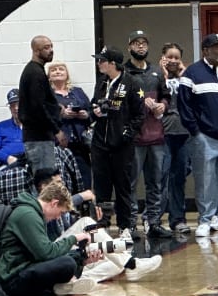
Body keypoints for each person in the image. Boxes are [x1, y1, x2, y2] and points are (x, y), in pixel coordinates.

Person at [34, 169, 162, 283]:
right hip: (50, 257)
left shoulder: (57, 208)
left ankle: (82, 279)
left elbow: (69, 233)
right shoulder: (38, 209)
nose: (62, 186)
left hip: (63, 253)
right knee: (86, 222)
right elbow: (48, 248)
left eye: (61, 183)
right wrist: (81, 196)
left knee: (115, 262)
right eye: (57, 183)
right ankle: (132, 264)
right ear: (44, 187)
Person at [178, 33, 218, 238]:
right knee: (205, 180)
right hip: (204, 137)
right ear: (205, 50)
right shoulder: (192, 73)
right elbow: (184, 106)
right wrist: (195, 131)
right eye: (216, 47)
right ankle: (205, 220)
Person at [0, 180, 100, 296]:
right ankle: (63, 285)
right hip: (13, 280)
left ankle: (61, 287)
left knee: (74, 257)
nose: (58, 217)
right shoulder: (27, 215)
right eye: (60, 212)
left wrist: (81, 258)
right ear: (54, 203)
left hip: (25, 268)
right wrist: (74, 238)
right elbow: (45, 253)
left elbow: (45, 253)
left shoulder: (32, 213)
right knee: (68, 263)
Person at [90, 45, 144, 241]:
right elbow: (94, 102)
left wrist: (127, 133)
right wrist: (94, 110)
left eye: (101, 60)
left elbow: (139, 115)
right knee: (102, 187)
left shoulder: (132, 82)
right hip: (100, 143)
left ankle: (125, 226)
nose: (98, 63)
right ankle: (102, 227)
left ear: (112, 64)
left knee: (122, 187)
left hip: (121, 144)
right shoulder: (102, 82)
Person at [123, 30, 172, 239]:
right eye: (136, 43)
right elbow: (120, 103)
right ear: (129, 47)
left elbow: (167, 96)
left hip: (156, 137)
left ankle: (153, 222)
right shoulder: (124, 73)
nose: (140, 46)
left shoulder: (157, 72)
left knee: (156, 182)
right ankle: (131, 224)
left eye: (143, 43)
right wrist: (138, 102)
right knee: (131, 183)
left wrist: (162, 105)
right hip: (134, 138)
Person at [18, 35, 66, 172]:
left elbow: (40, 102)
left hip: (39, 137)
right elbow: (37, 107)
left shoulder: (37, 71)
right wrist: (57, 130)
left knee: (45, 181)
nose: (51, 50)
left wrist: (56, 108)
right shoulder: (34, 73)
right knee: (45, 182)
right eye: (46, 47)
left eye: (51, 46)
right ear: (35, 50)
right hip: (38, 138)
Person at [159, 42, 191, 234]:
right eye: (169, 57)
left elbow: (191, 98)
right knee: (160, 177)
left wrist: (184, 74)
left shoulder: (186, 77)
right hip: (163, 134)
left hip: (183, 134)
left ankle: (177, 218)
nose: (172, 61)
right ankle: (153, 218)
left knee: (179, 178)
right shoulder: (156, 76)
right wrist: (163, 74)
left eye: (176, 57)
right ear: (162, 57)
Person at [48, 61, 93, 189]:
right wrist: (61, 114)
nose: (57, 72)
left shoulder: (77, 92)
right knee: (63, 181)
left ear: (67, 74)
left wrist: (85, 115)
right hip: (58, 145)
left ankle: (84, 206)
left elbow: (91, 111)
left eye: (61, 69)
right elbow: (44, 116)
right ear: (49, 76)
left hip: (81, 144)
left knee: (85, 180)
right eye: (53, 70)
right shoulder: (47, 95)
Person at [0, 89, 24, 166]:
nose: (16, 108)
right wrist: (7, 158)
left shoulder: (34, 126)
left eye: (19, 104)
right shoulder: (1, 127)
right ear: (10, 108)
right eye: (13, 105)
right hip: (7, 165)